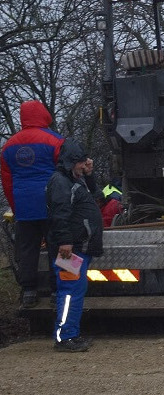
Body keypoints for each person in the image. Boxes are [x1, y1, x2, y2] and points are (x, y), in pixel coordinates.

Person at [0, 100, 64, 308]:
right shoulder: (55, 140)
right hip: (52, 204)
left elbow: (7, 183)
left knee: (27, 250)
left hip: (25, 207)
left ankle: (29, 291)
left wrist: (16, 207)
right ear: (43, 114)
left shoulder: (8, 146)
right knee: (58, 246)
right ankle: (58, 290)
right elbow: (65, 175)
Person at [46, 139, 103, 352]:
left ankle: (71, 334)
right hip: (70, 249)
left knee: (74, 291)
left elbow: (97, 196)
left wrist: (89, 174)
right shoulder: (60, 182)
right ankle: (65, 338)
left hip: (78, 247)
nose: (84, 164)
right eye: (80, 162)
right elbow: (59, 214)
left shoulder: (74, 180)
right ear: (71, 162)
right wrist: (65, 242)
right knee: (69, 292)